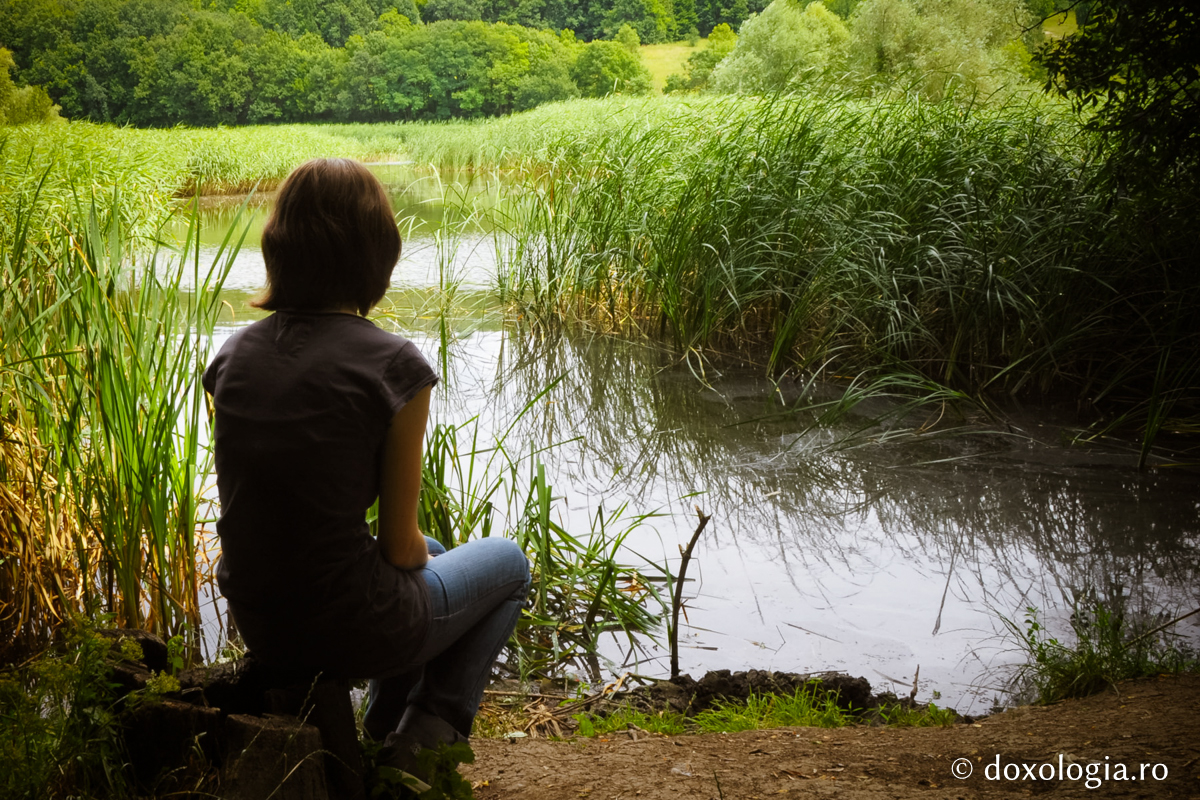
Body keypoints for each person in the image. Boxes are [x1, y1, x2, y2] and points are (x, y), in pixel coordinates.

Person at [202, 158, 530, 771]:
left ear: (281, 245)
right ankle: (424, 738)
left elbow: (281, 507)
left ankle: (384, 724)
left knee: (431, 547)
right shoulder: (393, 366)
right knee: (508, 564)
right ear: (376, 249)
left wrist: (422, 558)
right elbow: (402, 550)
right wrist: (422, 563)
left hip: (261, 616)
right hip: (346, 626)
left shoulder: (231, 356)